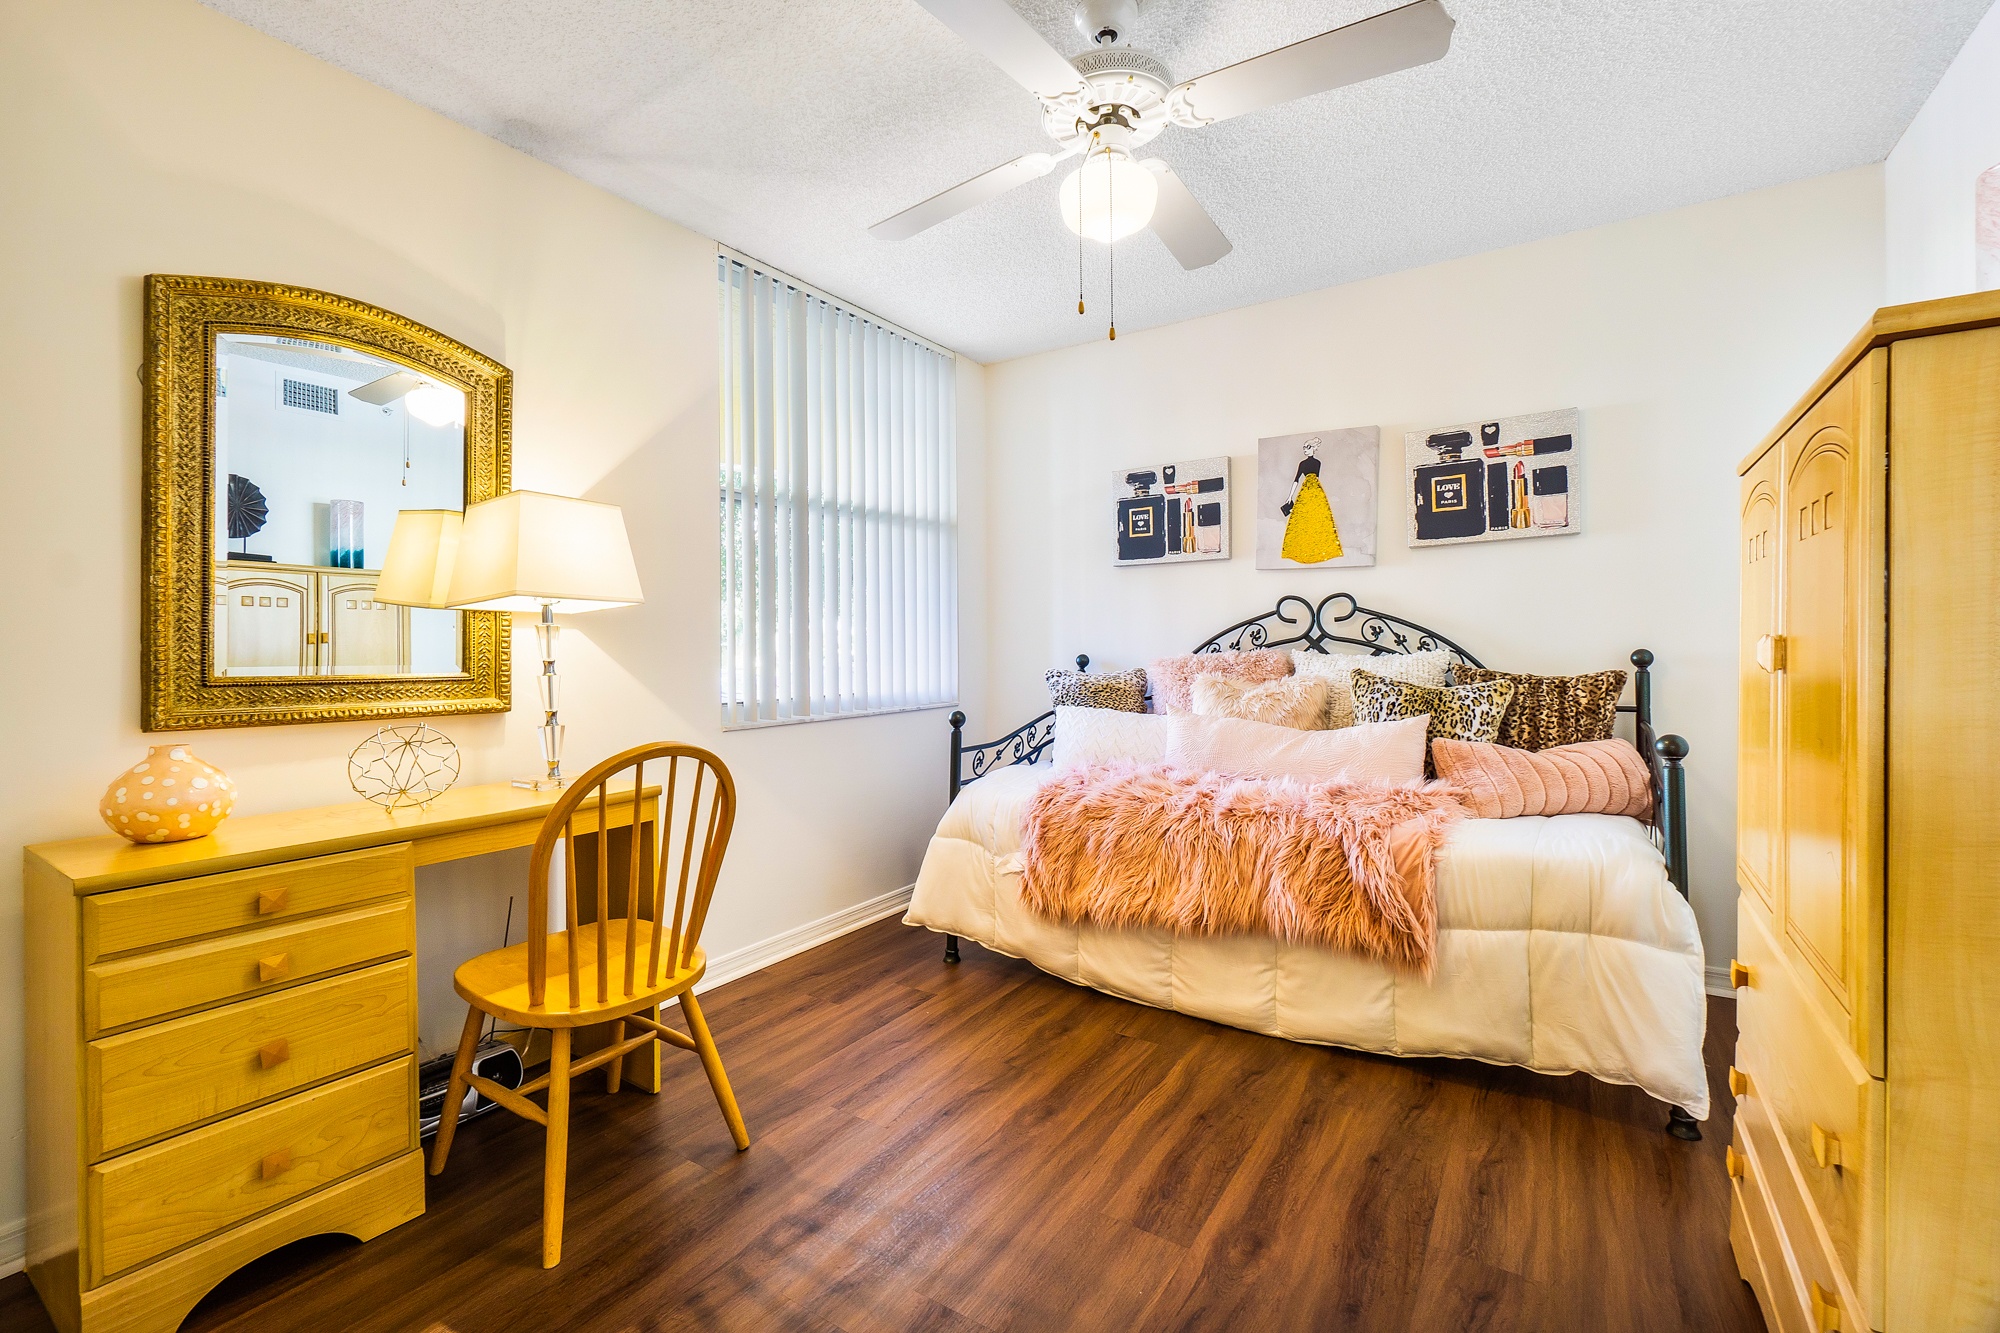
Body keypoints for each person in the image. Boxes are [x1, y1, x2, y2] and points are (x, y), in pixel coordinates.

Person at [1279, 437, 1342, 563]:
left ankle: (1317, 546)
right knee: (1303, 518)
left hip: (1315, 491)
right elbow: (1296, 480)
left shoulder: (1318, 463)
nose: (1305, 450)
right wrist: (1290, 496)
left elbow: (1314, 477)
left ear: (1314, 448)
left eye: (1308, 447)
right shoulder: (1302, 464)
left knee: (1318, 517)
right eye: (1304, 448)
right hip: (1308, 490)